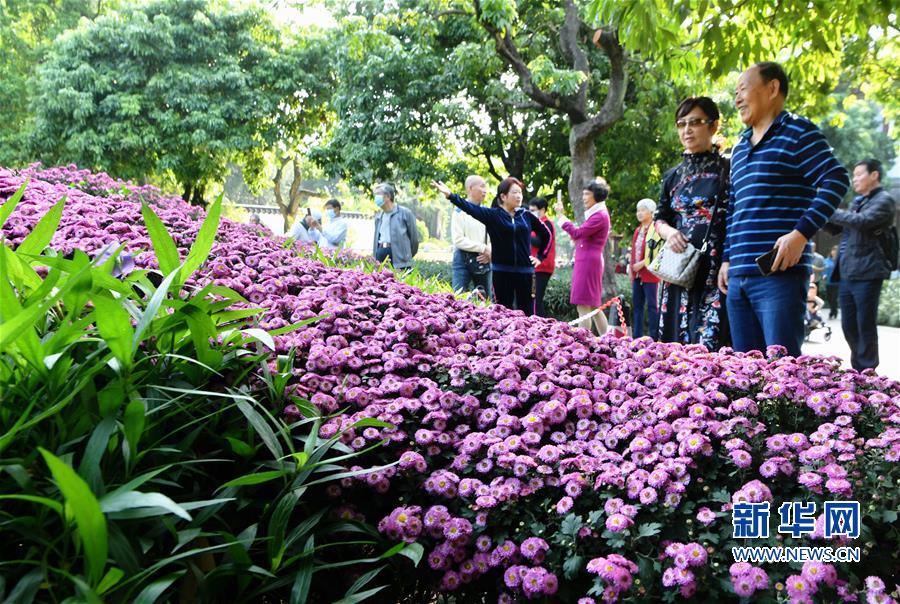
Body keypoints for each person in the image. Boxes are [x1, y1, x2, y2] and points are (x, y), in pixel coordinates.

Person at [718, 62, 849, 358]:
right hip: (738, 278)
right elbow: (734, 207)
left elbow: (836, 179)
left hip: (780, 276)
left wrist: (800, 234)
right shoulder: (739, 148)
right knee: (745, 375)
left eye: (743, 89)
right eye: (736, 92)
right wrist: (727, 259)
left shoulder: (799, 132)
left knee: (782, 373)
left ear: (772, 88)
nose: (737, 98)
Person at [654, 96, 730, 350]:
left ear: (713, 126)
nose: (687, 129)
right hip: (680, 268)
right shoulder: (672, 176)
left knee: (713, 346)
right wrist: (669, 232)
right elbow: (659, 217)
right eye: (681, 123)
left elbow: (735, 217)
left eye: (695, 122)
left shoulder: (728, 170)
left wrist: (728, 260)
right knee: (675, 346)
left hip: (716, 268)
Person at [433, 177, 551, 316]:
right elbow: (470, 208)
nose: (519, 196)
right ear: (503, 196)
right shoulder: (493, 215)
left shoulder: (526, 216)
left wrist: (540, 257)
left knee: (528, 313)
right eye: (514, 192)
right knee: (502, 313)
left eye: (520, 192)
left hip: (525, 272)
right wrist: (451, 196)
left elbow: (547, 235)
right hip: (501, 272)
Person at [825, 158, 896, 371]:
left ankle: (867, 370)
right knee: (848, 325)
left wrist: (830, 211)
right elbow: (839, 228)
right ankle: (859, 368)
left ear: (874, 175)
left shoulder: (884, 200)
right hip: (847, 272)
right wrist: (820, 213)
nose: (854, 179)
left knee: (864, 325)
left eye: (858, 174)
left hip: (868, 271)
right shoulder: (858, 201)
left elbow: (862, 222)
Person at [554, 179, 612, 335]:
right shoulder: (599, 214)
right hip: (588, 261)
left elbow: (577, 233)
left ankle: (582, 344)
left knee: (583, 306)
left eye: (587, 194)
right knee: (592, 306)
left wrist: (561, 217)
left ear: (596, 196)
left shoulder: (599, 215)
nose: (584, 197)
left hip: (588, 262)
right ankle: (608, 340)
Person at [450, 175, 492, 298]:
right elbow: (458, 240)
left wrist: (490, 252)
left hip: (483, 259)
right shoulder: (459, 212)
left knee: (486, 300)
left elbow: (494, 237)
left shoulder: (487, 212)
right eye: (482, 186)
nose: (485, 190)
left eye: (486, 187)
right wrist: (483, 248)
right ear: (470, 188)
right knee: (458, 298)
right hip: (462, 260)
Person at [629, 198, 662, 339]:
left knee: (653, 307)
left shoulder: (656, 229)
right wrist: (632, 269)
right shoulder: (637, 230)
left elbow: (658, 252)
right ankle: (637, 338)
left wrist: (642, 264)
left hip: (650, 274)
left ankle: (654, 338)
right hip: (637, 275)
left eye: (643, 210)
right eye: (638, 210)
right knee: (637, 308)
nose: (639, 213)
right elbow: (633, 252)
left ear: (651, 212)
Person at [372, 183, 419, 270]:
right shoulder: (378, 217)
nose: (376, 198)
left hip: (399, 259)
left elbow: (414, 241)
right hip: (381, 255)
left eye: (378, 194)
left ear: (388, 196)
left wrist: (406, 256)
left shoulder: (405, 213)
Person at [529, 196, 556, 317]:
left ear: (543, 209)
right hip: (535, 267)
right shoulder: (536, 224)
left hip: (542, 266)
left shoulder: (547, 224)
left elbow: (540, 242)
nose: (531, 213)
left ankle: (541, 328)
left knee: (536, 301)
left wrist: (524, 235)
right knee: (532, 300)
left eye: (534, 210)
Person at [824, 245, 840, 319]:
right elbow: (823, 269)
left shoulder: (839, 261)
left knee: (834, 299)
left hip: (836, 283)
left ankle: (833, 312)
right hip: (828, 282)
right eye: (833, 250)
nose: (834, 252)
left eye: (835, 251)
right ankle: (833, 310)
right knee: (829, 298)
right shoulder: (826, 260)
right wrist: (824, 274)